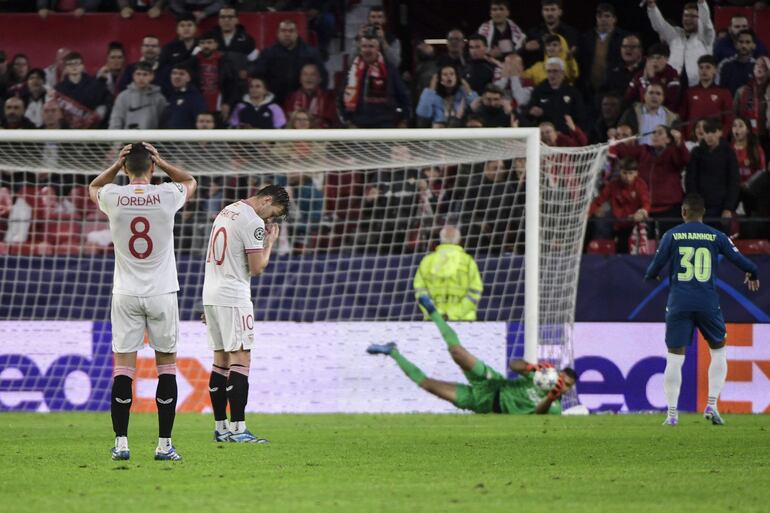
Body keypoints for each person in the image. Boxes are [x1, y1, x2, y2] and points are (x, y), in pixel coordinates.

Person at [88, 142, 197, 460]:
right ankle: (164, 445)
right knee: (167, 367)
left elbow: (94, 185)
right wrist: (163, 162)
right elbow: (191, 181)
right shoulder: (166, 195)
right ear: (152, 168)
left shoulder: (112, 196)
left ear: (124, 169)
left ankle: (121, 444)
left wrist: (115, 165)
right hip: (162, 292)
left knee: (123, 368)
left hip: (125, 293)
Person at [644, 193, 759, 427]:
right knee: (718, 351)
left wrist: (655, 275)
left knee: (675, 357)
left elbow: (652, 270)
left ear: (684, 213)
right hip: (708, 303)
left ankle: (672, 414)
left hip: (679, 303)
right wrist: (752, 273)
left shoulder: (672, 235)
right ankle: (712, 405)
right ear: (703, 214)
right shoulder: (716, 236)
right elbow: (746, 264)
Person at [367, 295, 575, 415]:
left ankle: (393, 352)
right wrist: (531, 367)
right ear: (556, 375)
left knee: (427, 385)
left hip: (480, 403)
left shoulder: (554, 407)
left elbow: (538, 415)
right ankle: (433, 312)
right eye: (563, 380)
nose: (563, 386)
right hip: (492, 384)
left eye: (567, 385)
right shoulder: (539, 378)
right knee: (457, 352)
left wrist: (550, 397)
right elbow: (514, 365)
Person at [202, 184, 289, 443]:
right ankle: (239, 430)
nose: (270, 218)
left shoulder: (228, 210)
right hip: (233, 295)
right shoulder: (253, 221)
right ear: (266, 199)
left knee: (220, 363)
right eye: (273, 212)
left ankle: (221, 428)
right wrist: (269, 244)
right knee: (241, 361)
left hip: (211, 293)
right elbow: (256, 267)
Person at [339, 31, 411, 129]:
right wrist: (348, 122)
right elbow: (340, 99)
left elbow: (404, 97)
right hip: (357, 127)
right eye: (364, 46)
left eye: (371, 46)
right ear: (360, 49)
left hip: (386, 126)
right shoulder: (352, 71)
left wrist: (404, 120)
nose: (367, 50)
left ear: (378, 49)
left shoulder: (390, 70)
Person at [250, 19, 327, 105]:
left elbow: (322, 77)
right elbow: (258, 76)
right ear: (278, 34)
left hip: (303, 103)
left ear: (297, 33)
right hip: (274, 102)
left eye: (291, 31)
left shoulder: (311, 54)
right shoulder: (268, 53)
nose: (287, 34)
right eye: (283, 31)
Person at [413, 226, 482, 321]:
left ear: (440, 239)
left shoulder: (427, 261)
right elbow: (475, 291)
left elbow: (420, 291)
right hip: (464, 321)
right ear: (459, 240)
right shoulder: (468, 261)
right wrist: (454, 313)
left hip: (435, 321)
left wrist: (436, 313)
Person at [644, 0, 714, 88]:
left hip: (697, 86)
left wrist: (701, 3)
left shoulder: (705, 37)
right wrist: (652, 6)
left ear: (700, 19)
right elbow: (660, 25)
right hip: (672, 85)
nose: (688, 19)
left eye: (693, 16)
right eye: (686, 15)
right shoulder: (675, 34)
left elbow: (706, 23)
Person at [685, 118, 740, 231]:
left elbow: (734, 181)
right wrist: (695, 206)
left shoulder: (728, 153)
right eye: (706, 132)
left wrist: (728, 208)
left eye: (713, 132)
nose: (709, 136)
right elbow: (690, 180)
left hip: (722, 209)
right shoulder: (696, 152)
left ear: (720, 132)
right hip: (701, 208)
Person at [588, 157, 650, 253]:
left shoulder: (640, 185)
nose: (627, 177)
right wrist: (587, 214)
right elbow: (598, 202)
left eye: (631, 173)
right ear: (620, 172)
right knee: (600, 222)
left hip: (632, 223)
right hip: (616, 223)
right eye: (624, 173)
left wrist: (642, 213)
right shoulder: (613, 185)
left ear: (636, 173)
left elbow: (646, 202)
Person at [680, 55, 733, 139]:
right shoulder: (689, 92)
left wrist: (721, 136)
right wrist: (684, 138)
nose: (704, 70)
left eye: (708, 67)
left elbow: (729, 120)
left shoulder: (724, 93)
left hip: (715, 141)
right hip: (692, 140)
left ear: (715, 70)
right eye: (701, 68)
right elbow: (682, 118)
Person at [109, 62, 168, 130]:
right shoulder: (123, 97)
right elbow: (116, 121)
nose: (141, 78)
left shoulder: (159, 99)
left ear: (152, 76)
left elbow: (163, 125)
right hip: (127, 139)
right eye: (138, 74)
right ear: (133, 76)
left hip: (150, 139)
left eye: (145, 74)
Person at [283, 63, 337, 129]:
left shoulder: (329, 98)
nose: (309, 78)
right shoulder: (291, 98)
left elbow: (330, 121)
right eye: (305, 74)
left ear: (320, 79)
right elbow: (288, 120)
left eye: (313, 74)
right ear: (300, 79)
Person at [162, 64, 206, 129]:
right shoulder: (170, 96)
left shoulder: (195, 98)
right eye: (174, 73)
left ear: (189, 78)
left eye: (181, 74)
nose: (177, 76)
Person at [718, 29, 758, 96]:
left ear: (754, 45)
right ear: (736, 44)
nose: (744, 46)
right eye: (741, 42)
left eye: (747, 42)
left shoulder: (758, 67)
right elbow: (719, 91)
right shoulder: (725, 65)